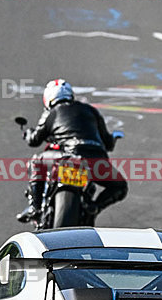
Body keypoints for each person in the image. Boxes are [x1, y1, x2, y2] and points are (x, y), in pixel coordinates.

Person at [17, 78, 128, 223]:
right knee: (120, 186)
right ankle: (94, 207)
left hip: (68, 156)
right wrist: (113, 138)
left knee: (37, 162)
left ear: (48, 99)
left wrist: (28, 133)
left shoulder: (52, 112)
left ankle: (35, 207)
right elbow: (108, 144)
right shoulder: (91, 111)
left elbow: (35, 140)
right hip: (96, 161)